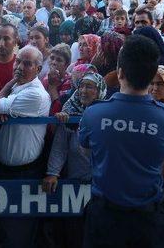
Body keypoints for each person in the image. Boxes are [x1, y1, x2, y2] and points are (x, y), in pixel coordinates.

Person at [79, 34, 164, 248]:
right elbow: (162, 158)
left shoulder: (93, 114)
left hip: (105, 217)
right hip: (148, 220)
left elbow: (87, 150)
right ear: (152, 74)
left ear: (120, 72)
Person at [0, 45, 51, 248]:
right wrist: (13, 83)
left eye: (26, 64)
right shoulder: (20, 87)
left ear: (38, 68)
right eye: (18, 61)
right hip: (3, 168)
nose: (19, 66)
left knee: (19, 231)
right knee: (2, 226)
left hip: (24, 172)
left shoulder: (36, 94)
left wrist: (8, 87)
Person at [44, 72, 106, 248]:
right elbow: (60, 147)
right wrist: (53, 173)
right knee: (74, 234)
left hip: (100, 185)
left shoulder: (107, 115)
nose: (84, 91)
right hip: (75, 184)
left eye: (90, 87)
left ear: (100, 90)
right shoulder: (69, 112)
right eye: (81, 86)